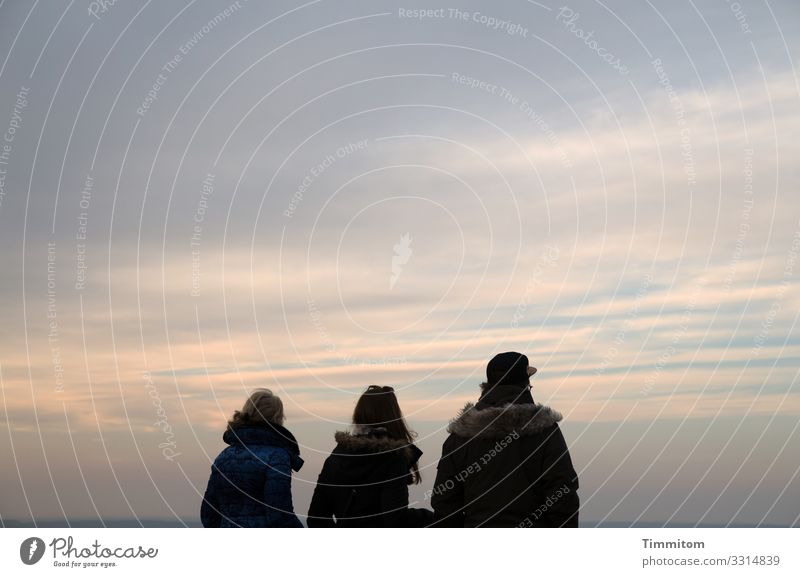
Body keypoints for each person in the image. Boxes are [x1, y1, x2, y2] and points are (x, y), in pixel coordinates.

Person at [431, 352, 579, 527]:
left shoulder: (460, 437)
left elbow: (445, 502)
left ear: (488, 386)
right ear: (525, 384)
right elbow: (562, 493)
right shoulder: (545, 431)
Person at [307, 385, 431, 527]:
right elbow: (396, 520)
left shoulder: (335, 459)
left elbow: (316, 518)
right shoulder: (392, 459)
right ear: (394, 418)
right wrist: (430, 518)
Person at [201, 389, 304, 527]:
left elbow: (208, 514)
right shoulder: (277, 457)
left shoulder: (224, 457)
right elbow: (279, 514)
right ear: (277, 417)